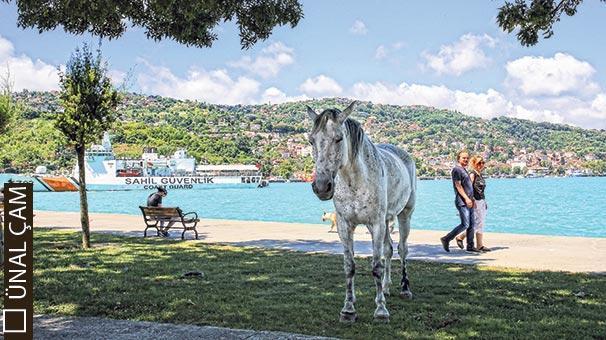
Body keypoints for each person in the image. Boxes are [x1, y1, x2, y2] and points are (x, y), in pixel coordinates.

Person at [440, 150, 479, 253]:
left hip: (469, 201)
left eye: (467, 158)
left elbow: (468, 186)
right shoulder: (456, 170)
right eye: (463, 158)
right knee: (465, 224)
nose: (466, 159)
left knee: (471, 225)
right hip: (462, 201)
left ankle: (470, 246)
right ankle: (446, 239)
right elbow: (458, 185)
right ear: (458, 159)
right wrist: (466, 198)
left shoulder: (464, 170)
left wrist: (472, 199)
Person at [456, 156, 490, 251]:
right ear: (474, 164)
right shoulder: (472, 174)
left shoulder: (480, 175)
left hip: (481, 201)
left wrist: (484, 201)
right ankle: (460, 237)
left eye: (482, 163)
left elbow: (480, 190)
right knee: (475, 223)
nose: (481, 165)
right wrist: (472, 200)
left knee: (481, 223)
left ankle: (480, 245)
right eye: (479, 163)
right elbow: (468, 188)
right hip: (475, 202)